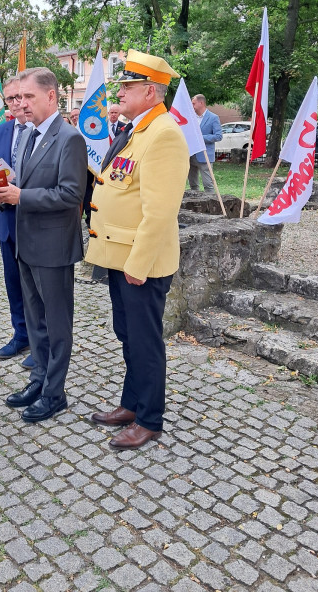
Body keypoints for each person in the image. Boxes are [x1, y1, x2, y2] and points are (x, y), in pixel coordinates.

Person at [86, 50, 189, 449]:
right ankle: (131, 404)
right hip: (120, 256)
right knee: (128, 334)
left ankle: (149, 419)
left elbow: (160, 211)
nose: (120, 92)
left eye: (128, 86)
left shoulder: (163, 133)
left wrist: (139, 264)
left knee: (145, 341)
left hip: (138, 262)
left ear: (150, 91)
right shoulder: (136, 128)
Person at [0, 67, 87, 423]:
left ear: (51, 96)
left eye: (29, 97)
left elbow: (71, 193)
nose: (22, 104)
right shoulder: (29, 134)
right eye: (19, 97)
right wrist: (4, 194)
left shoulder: (69, 137)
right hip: (26, 244)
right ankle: (39, 379)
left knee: (57, 323)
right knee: (35, 319)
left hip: (54, 246)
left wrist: (20, 195)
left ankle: (55, 393)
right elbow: (26, 184)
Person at [0, 76, 33, 365]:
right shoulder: (1, 131)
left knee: (37, 288)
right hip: (6, 221)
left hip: (35, 223)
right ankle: (21, 335)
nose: (17, 104)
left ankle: (42, 343)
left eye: (21, 97)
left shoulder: (44, 132)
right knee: (13, 284)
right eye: (11, 99)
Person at [188, 94, 222, 192]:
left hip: (205, 156)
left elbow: (218, 136)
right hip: (191, 155)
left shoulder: (213, 117)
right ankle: (196, 205)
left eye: (193, 103)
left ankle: (211, 205)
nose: (192, 106)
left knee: (208, 185)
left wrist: (200, 138)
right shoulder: (190, 118)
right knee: (193, 185)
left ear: (201, 103)